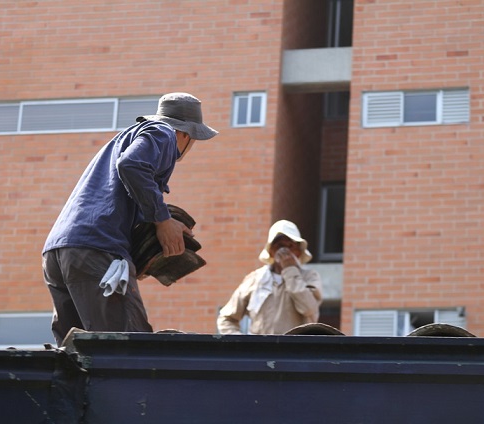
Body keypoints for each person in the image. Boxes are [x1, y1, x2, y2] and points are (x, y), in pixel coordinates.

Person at [42, 92, 218, 346]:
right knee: (129, 350)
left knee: (75, 356)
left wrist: (141, 256)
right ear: (185, 134)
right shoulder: (163, 132)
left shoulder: (123, 139)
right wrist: (162, 221)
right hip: (95, 249)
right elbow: (132, 165)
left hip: (59, 253)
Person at [217, 220, 323, 335]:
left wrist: (290, 270)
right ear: (271, 251)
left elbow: (309, 309)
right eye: (280, 246)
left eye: (290, 245)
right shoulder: (255, 279)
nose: (285, 251)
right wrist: (242, 344)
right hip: (261, 351)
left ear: (298, 251)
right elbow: (226, 318)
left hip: (294, 350)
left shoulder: (309, 277)